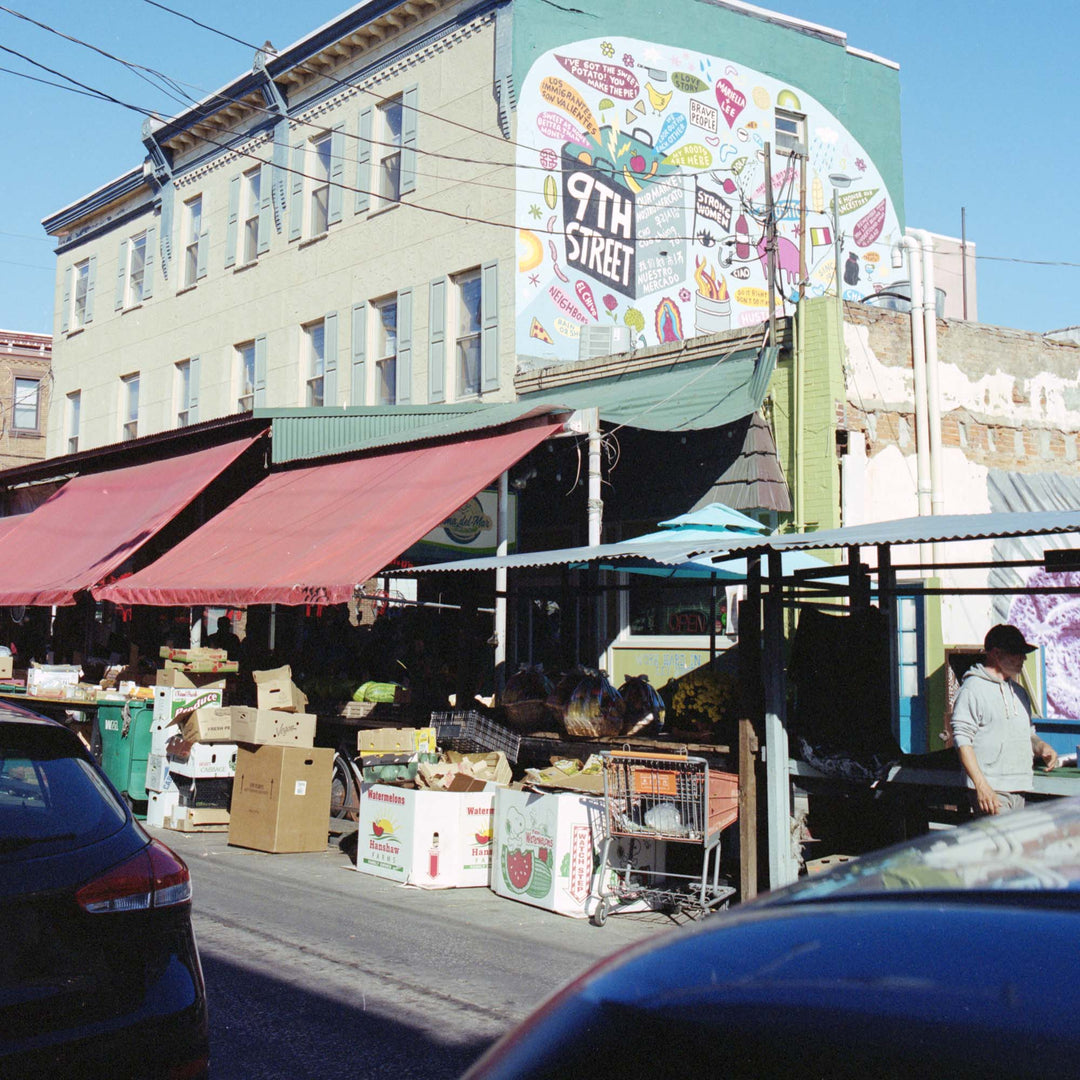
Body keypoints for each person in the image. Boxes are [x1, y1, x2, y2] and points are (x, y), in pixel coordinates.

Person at [950, 623, 1058, 815]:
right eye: (1017, 653)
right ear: (996, 654)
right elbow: (962, 740)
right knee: (1001, 845)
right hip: (992, 790)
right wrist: (981, 786)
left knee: (1014, 845)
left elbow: (1028, 734)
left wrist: (1041, 746)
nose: (1023, 658)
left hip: (1021, 786)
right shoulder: (972, 689)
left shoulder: (1019, 693)